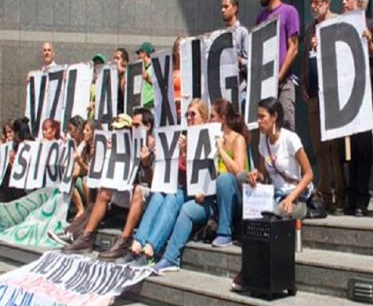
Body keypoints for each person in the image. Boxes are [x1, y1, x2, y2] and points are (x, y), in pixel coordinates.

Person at [150, 99, 250, 274]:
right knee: (187, 210)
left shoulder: (237, 139)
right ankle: (171, 258)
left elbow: (239, 172)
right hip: (213, 200)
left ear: (222, 119)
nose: (209, 120)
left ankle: (225, 232)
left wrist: (221, 150)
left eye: (212, 116)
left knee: (224, 179)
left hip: (235, 200)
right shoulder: (208, 138)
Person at [231, 97, 314, 290]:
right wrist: (255, 175)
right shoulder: (263, 141)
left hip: (296, 196)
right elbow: (264, 174)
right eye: (258, 117)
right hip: (274, 193)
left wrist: (290, 198)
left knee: (272, 217)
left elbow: (309, 174)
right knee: (240, 177)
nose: (259, 121)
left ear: (274, 117)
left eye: (262, 117)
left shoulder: (290, 139)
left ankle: (248, 271)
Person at [121, 99, 210, 267]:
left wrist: (185, 153)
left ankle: (151, 249)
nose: (189, 118)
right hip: (177, 187)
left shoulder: (208, 140)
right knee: (158, 195)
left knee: (171, 197)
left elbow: (201, 175)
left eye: (193, 114)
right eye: (187, 114)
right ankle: (138, 244)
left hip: (195, 192)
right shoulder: (181, 139)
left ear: (204, 119)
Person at [64, 108, 155, 256]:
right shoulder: (128, 144)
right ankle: (86, 237)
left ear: (148, 126)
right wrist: (105, 155)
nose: (133, 129)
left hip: (146, 195)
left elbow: (156, 185)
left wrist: (146, 164)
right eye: (132, 125)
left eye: (137, 125)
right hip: (127, 193)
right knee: (105, 190)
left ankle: (124, 241)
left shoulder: (155, 146)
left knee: (138, 190)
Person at [302, 0, 345, 214]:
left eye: (317, 2)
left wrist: (324, 46)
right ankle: (325, 192)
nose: (313, 6)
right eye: (311, 2)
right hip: (314, 96)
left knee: (333, 149)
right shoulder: (310, 28)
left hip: (333, 95)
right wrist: (305, 83)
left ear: (327, 3)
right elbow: (305, 59)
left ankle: (340, 194)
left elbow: (343, 55)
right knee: (318, 148)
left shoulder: (337, 23)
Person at [342, 0, 373, 216]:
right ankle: (349, 195)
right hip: (345, 98)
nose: (344, 3)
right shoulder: (338, 28)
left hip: (365, 97)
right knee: (348, 150)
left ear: (360, 2)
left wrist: (371, 44)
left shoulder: (371, 26)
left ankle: (361, 197)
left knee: (362, 149)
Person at [256, 0, 300, 131]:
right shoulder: (261, 18)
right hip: (265, 84)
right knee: (265, 130)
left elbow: (293, 48)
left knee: (285, 126)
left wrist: (280, 76)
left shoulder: (289, 12)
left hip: (284, 82)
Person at [221, 0, 249, 108]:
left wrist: (238, 60)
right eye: (222, 7)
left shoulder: (242, 32)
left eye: (226, 6)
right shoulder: (221, 34)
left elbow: (249, 62)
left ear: (235, 8)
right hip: (224, 91)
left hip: (239, 90)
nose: (222, 10)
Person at [137, 42, 155, 109]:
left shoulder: (154, 67)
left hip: (151, 106)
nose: (138, 56)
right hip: (142, 106)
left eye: (139, 53)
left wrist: (147, 77)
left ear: (144, 53)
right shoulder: (144, 68)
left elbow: (158, 84)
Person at [114, 47, 129, 114]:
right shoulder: (113, 76)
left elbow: (125, 96)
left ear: (125, 61)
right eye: (114, 58)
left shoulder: (129, 73)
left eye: (118, 58)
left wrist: (122, 75)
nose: (115, 61)